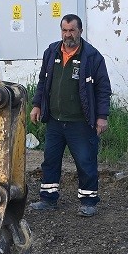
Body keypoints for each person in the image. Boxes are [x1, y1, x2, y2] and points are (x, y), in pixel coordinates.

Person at [29, 14, 112, 217]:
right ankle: (48, 199)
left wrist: (102, 116)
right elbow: (43, 81)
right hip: (55, 121)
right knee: (50, 160)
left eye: (72, 31)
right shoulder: (52, 51)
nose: (68, 35)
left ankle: (89, 202)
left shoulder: (92, 57)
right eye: (64, 31)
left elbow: (103, 89)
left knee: (85, 160)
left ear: (80, 31)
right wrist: (37, 105)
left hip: (81, 122)